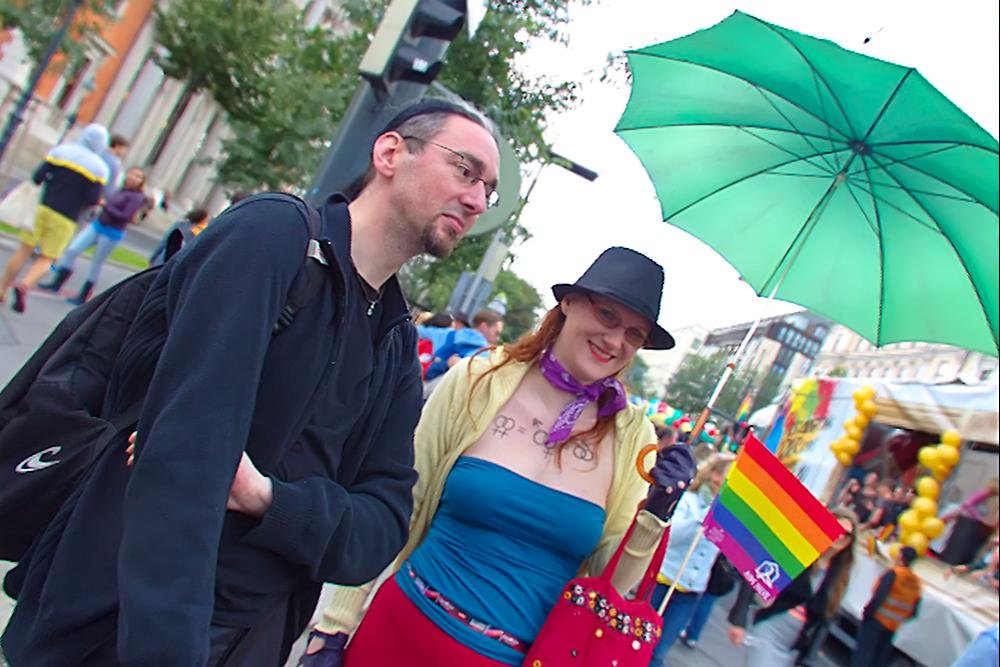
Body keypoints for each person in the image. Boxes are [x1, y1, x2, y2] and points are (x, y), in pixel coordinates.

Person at [1, 98, 502, 665]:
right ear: (389, 152)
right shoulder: (273, 238)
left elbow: (381, 529)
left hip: (252, 638)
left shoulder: (394, 343)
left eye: (488, 190)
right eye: (465, 170)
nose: (476, 200)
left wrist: (269, 499)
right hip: (119, 621)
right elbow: (182, 461)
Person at [301, 247, 696, 666]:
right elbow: (398, 501)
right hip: (397, 632)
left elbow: (610, 584)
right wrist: (334, 625)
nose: (615, 341)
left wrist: (656, 514)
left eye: (634, 334)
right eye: (607, 315)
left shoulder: (633, 437)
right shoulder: (479, 379)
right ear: (568, 301)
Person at [727, 507, 858, 667]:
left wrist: (809, 657)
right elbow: (755, 576)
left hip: (795, 645)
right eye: (835, 528)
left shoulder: (839, 576)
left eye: (846, 534)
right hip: (771, 627)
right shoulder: (797, 553)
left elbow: (825, 620)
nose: (840, 536)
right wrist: (739, 620)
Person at [0, 123, 109, 313]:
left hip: (43, 207)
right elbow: (93, 199)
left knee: (24, 250)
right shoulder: (100, 169)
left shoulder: (61, 152)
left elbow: (37, 177)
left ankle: (2, 289)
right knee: (47, 258)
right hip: (67, 218)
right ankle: (25, 284)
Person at [649, 453, 735, 665]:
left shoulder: (728, 515)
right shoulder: (689, 500)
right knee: (640, 638)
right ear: (715, 476)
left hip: (690, 591)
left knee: (658, 652)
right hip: (663, 580)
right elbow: (672, 537)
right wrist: (702, 518)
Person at [41, 166, 149, 304]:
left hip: (112, 232)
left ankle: (84, 294)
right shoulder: (120, 190)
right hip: (98, 225)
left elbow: (125, 216)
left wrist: (106, 206)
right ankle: (58, 282)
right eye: (132, 174)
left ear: (141, 182)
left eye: (138, 177)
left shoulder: (136, 197)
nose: (133, 178)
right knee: (72, 250)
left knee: (96, 263)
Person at [851, 546, 922, 667]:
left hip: (875, 621)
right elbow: (914, 612)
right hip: (892, 628)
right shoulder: (916, 583)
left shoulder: (895, 574)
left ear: (901, 557)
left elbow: (879, 596)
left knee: (863, 656)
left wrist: (867, 613)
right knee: (877, 661)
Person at [424, 307, 505, 381]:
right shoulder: (484, 353)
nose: (497, 338)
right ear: (484, 326)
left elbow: (420, 330)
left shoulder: (449, 334)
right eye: (496, 333)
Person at [940, 478, 1000, 564]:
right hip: (967, 520)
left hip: (971, 522)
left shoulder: (989, 498)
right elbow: (967, 504)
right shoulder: (983, 493)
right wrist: (978, 517)